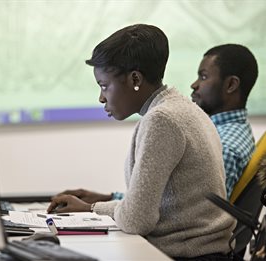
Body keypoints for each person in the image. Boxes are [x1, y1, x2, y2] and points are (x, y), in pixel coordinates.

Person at [47, 24, 236, 260]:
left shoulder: (162, 119)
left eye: (104, 86)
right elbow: (140, 211)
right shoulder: (183, 109)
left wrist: (91, 208)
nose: (101, 97)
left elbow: (137, 220)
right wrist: (91, 207)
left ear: (135, 78)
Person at [191, 44, 258, 198]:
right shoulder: (235, 131)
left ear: (231, 85)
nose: (194, 85)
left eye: (203, 76)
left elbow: (199, 217)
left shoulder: (223, 149)